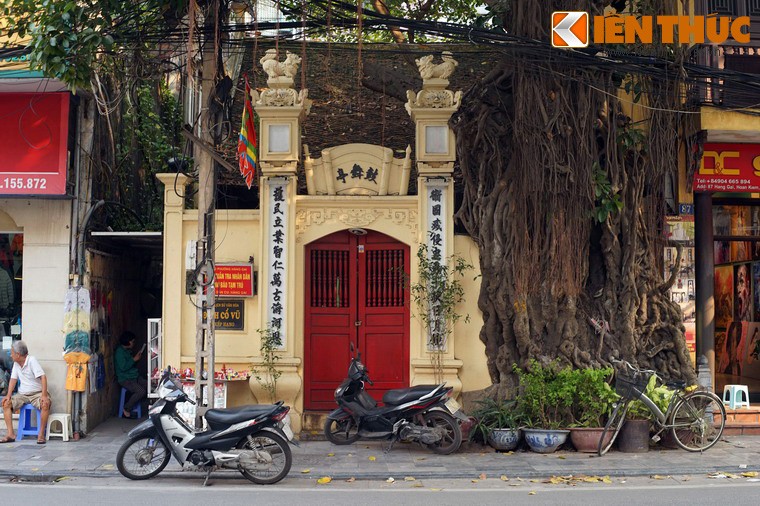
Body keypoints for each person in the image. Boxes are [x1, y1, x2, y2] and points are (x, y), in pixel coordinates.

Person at [1, 340, 50, 444]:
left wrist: (44, 395)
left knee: (45, 404)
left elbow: (43, 377)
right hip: (23, 394)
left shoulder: (31, 360)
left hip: (37, 393)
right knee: (6, 403)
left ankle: (41, 435)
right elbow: (13, 379)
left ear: (18, 354)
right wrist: (8, 395)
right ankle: (10, 434)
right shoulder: (16, 364)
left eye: (12, 353)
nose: (11, 355)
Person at [115, 331, 145, 418]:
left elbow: (131, 364)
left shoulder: (127, 351)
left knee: (150, 386)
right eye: (133, 341)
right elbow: (123, 367)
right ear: (128, 341)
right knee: (141, 391)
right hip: (125, 379)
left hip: (133, 376)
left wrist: (136, 359)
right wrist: (134, 360)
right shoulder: (119, 352)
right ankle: (127, 408)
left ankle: (136, 403)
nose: (133, 343)